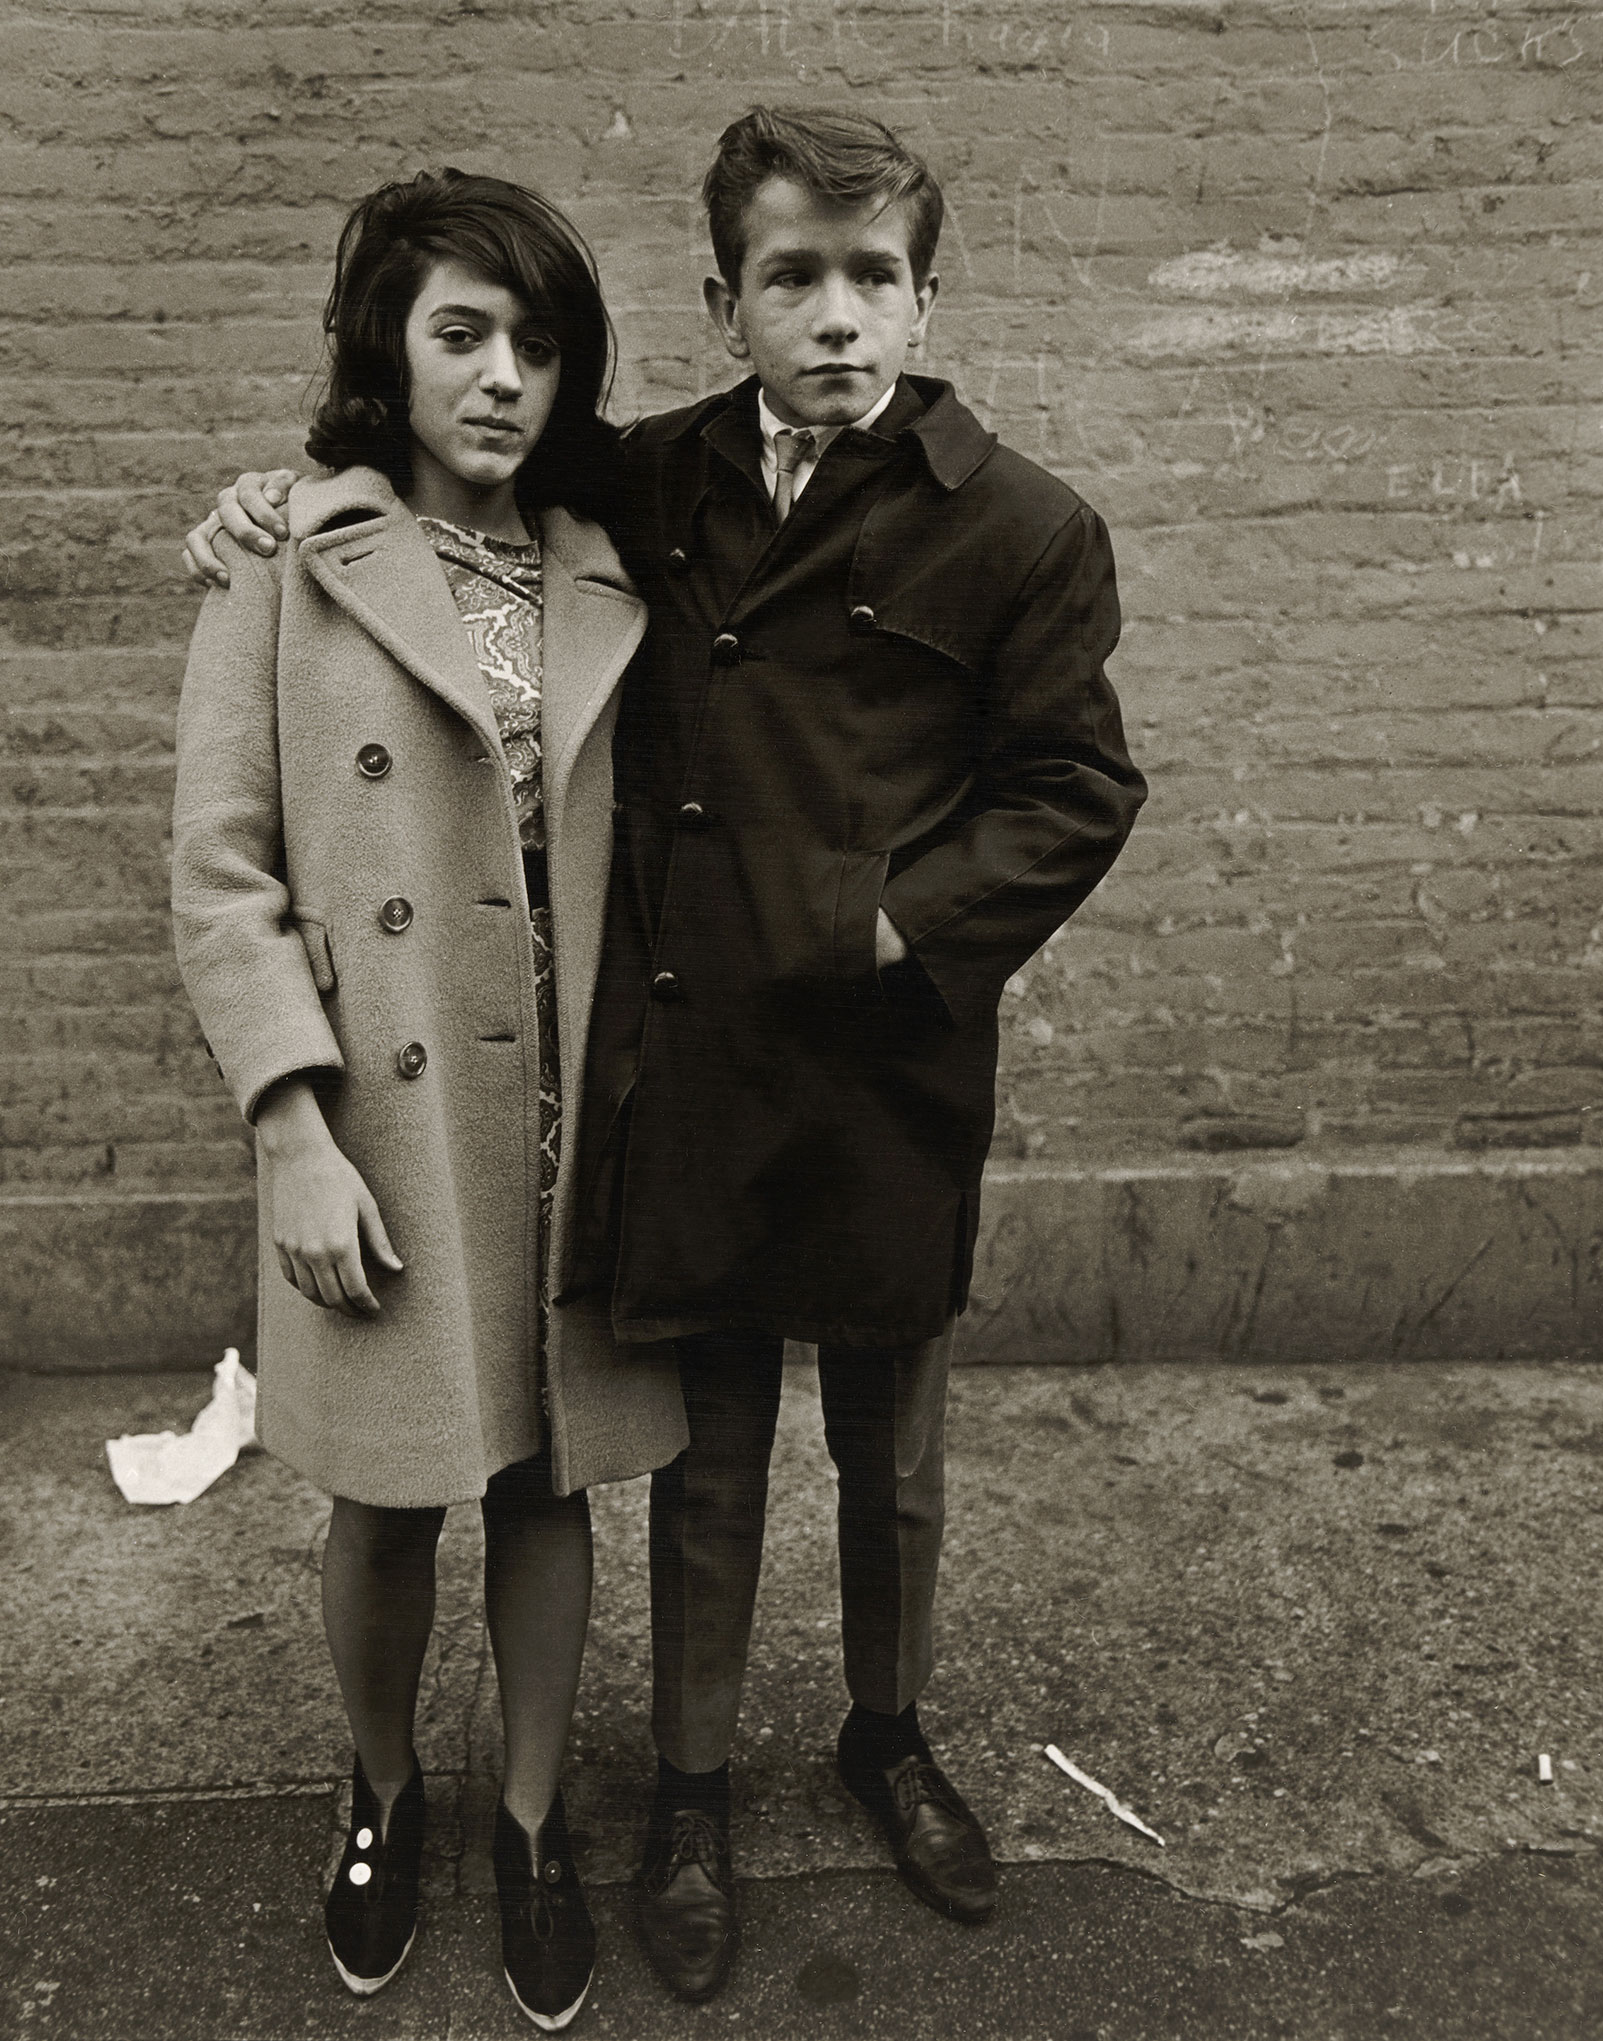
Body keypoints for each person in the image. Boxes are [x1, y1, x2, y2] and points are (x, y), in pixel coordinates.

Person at [184, 106, 1145, 2005]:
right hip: (657, 1072)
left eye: (877, 278)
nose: (840, 319)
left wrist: (898, 924)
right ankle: (670, 1790)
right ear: (726, 302)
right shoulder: (649, 483)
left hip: (874, 1065)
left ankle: (879, 1735)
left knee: (890, 1456)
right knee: (687, 1462)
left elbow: (1077, 784)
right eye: (794, 277)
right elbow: (392, 564)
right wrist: (269, 498)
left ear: (927, 295)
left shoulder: (1014, 523)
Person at [170, 167, 686, 2032]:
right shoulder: (284, 560)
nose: (501, 379)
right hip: (380, 1122)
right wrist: (289, 1130)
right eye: (461, 333)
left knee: (552, 1485)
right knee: (391, 1496)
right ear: (384, 345)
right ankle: (384, 1791)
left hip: (572, 1113)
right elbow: (221, 871)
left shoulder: (613, 559)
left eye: (538, 345)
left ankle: (533, 1821)